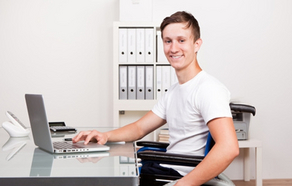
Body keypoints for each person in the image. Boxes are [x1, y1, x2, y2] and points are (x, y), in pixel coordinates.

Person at [73, 11, 239, 186]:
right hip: (163, 168)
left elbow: (228, 148)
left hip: (176, 175)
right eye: (168, 41)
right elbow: (139, 128)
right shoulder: (174, 91)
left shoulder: (208, 88)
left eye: (181, 40)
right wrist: (104, 136)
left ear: (197, 44)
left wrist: (182, 185)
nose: (173, 48)